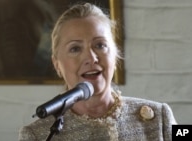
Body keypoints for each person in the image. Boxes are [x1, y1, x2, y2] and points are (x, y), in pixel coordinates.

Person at [19, 2, 177, 141]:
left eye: (100, 45)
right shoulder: (37, 135)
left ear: (115, 56)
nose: (91, 57)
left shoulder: (159, 117)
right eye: (75, 48)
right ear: (57, 65)